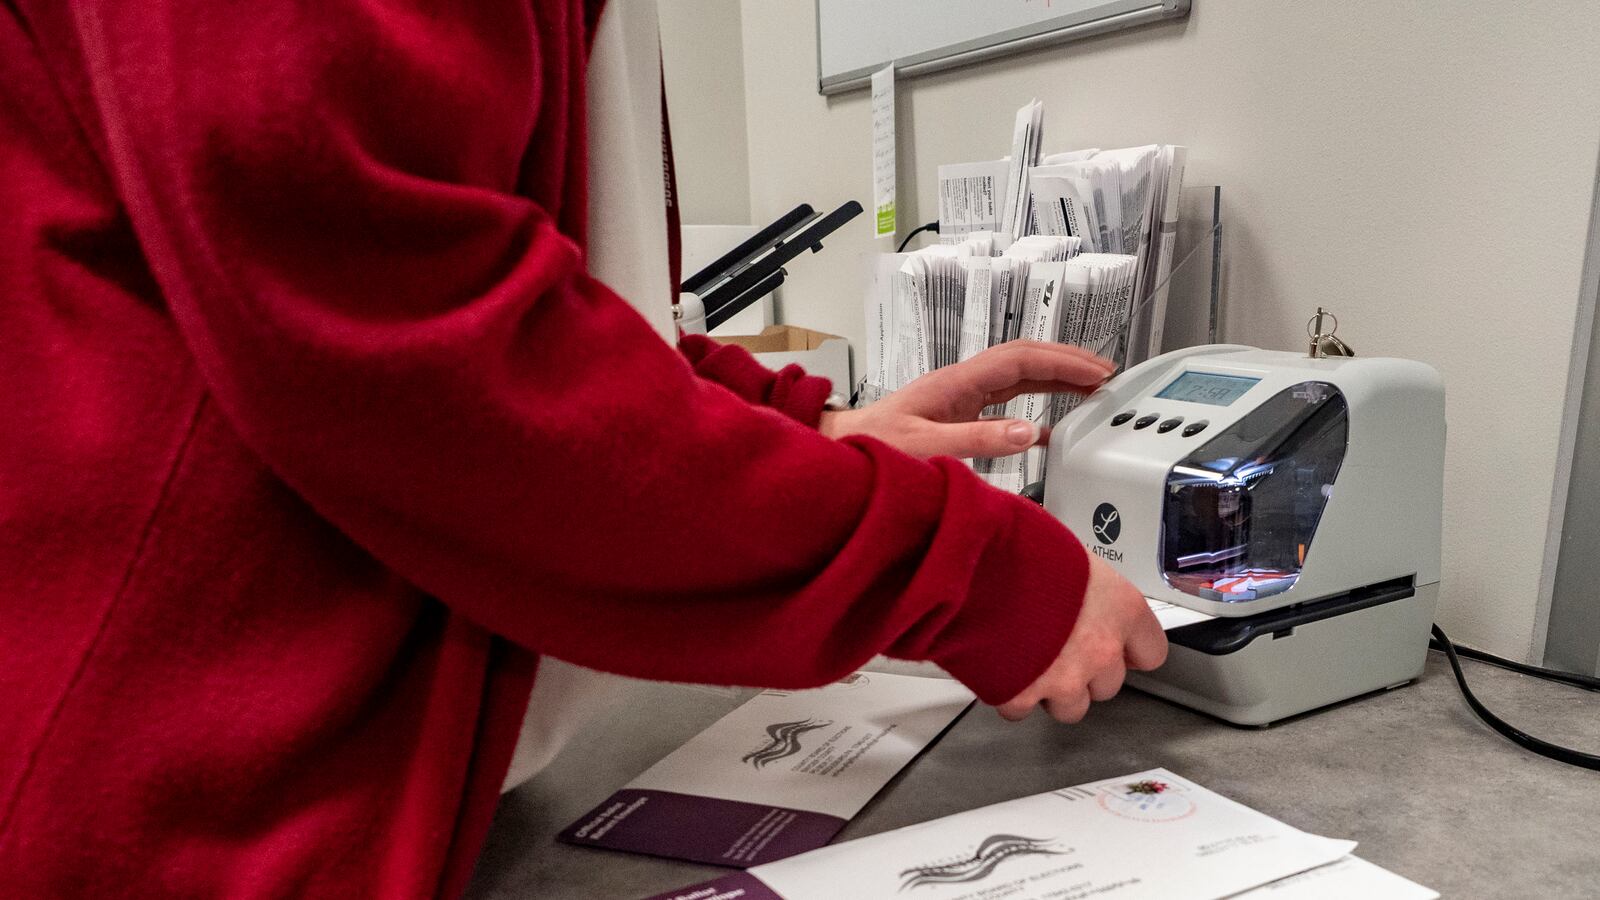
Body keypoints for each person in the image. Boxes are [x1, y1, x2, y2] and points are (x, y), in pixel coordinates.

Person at [0, 1, 1166, 896]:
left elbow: (530, 281)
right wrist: (966, 573)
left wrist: (802, 427)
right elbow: (407, 334)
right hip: (160, 797)